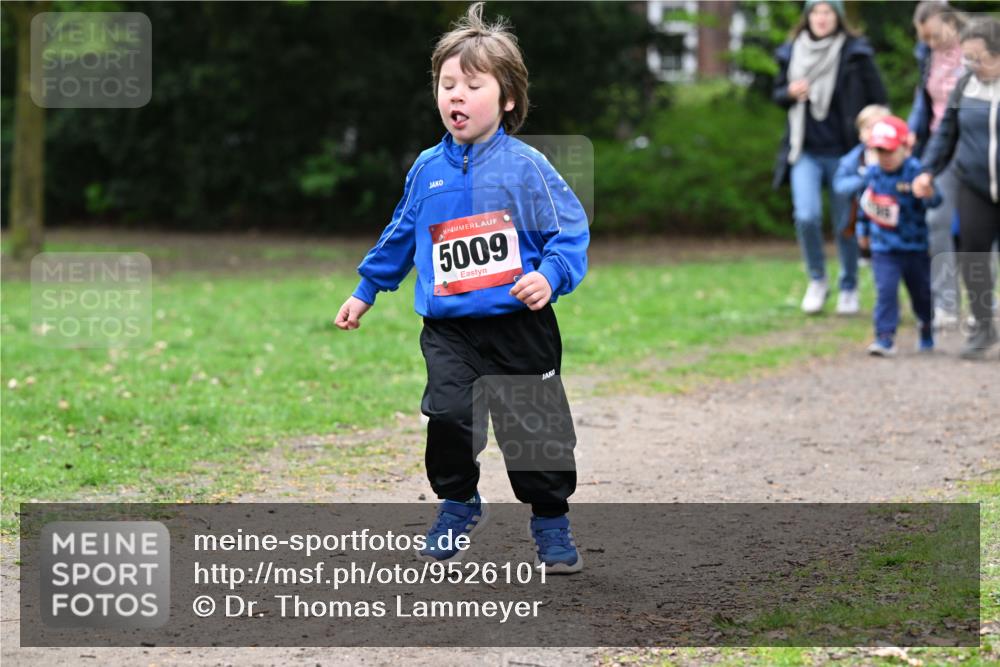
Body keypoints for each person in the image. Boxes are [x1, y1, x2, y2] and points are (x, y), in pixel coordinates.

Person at [335, 3, 589, 573]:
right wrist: (366, 290)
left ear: (507, 99)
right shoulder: (427, 168)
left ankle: (550, 520)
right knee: (448, 416)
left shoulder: (527, 167)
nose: (457, 96)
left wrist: (549, 276)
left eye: (473, 86)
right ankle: (459, 502)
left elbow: (569, 232)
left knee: (536, 432)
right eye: (447, 84)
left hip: (520, 325)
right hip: (449, 330)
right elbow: (401, 233)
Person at [772, 0, 888, 315]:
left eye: (827, 12)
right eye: (816, 12)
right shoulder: (791, 51)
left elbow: (879, 99)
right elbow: (777, 93)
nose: (821, 18)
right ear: (807, 17)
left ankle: (849, 286)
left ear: (837, 17)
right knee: (806, 216)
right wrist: (789, 94)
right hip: (804, 150)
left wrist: (873, 134)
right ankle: (817, 279)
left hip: (844, 153)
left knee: (844, 223)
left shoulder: (856, 53)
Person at [914, 17, 1000, 360]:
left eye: (979, 58)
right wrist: (927, 170)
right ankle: (984, 325)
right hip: (975, 184)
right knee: (972, 253)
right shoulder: (966, 85)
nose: (972, 65)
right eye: (968, 58)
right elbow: (946, 132)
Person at [856, 116, 941, 357]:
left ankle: (926, 326)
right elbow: (865, 207)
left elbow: (937, 201)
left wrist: (928, 192)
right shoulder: (872, 175)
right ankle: (884, 338)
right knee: (886, 291)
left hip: (915, 248)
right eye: (880, 151)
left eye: (890, 151)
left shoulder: (916, 171)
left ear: (905, 148)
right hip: (883, 248)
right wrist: (863, 234)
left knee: (922, 294)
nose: (885, 157)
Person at [909, 1, 968, 328]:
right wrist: (912, 136)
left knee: (982, 223)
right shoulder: (926, 54)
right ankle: (946, 302)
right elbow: (925, 103)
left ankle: (984, 295)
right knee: (936, 219)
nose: (931, 43)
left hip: (979, 142)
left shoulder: (980, 46)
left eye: (934, 35)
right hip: (941, 144)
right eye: (925, 39)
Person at [833, 103, 892, 267]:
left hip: (889, 217)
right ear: (860, 133)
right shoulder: (852, 159)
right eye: (868, 127)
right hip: (859, 216)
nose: (873, 132)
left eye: (878, 127)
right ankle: (850, 275)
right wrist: (865, 177)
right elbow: (839, 185)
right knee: (848, 242)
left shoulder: (895, 157)